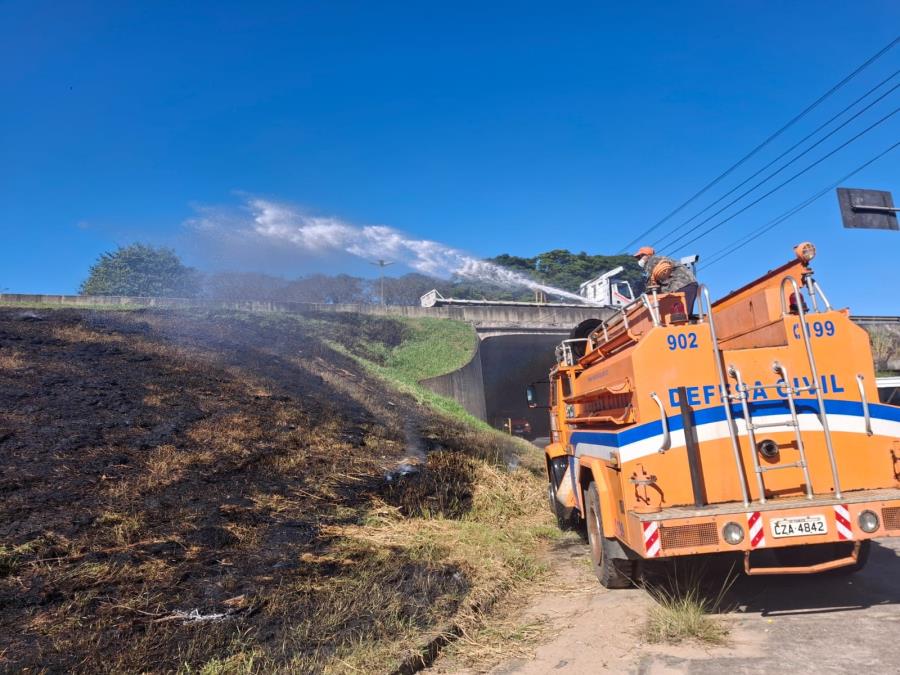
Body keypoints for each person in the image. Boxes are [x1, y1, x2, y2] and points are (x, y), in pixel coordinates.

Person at [633, 246, 698, 315]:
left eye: (640, 257)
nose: (639, 260)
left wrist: (641, 300)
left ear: (647, 255)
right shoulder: (658, 260)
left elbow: (650, 284)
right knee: (681, 315)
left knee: (681, 317)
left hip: (682, 286)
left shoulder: (652, 261)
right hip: (686, 285)